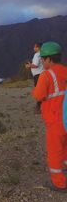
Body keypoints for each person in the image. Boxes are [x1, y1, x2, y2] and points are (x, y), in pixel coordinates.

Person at [31, 41, 67, 192]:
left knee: (54, 151)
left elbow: (38, 95)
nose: (42, 62)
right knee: (65, 147)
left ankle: (59, 183)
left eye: (43, 59)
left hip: (55, 120)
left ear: (49, 59)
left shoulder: (46, 75)